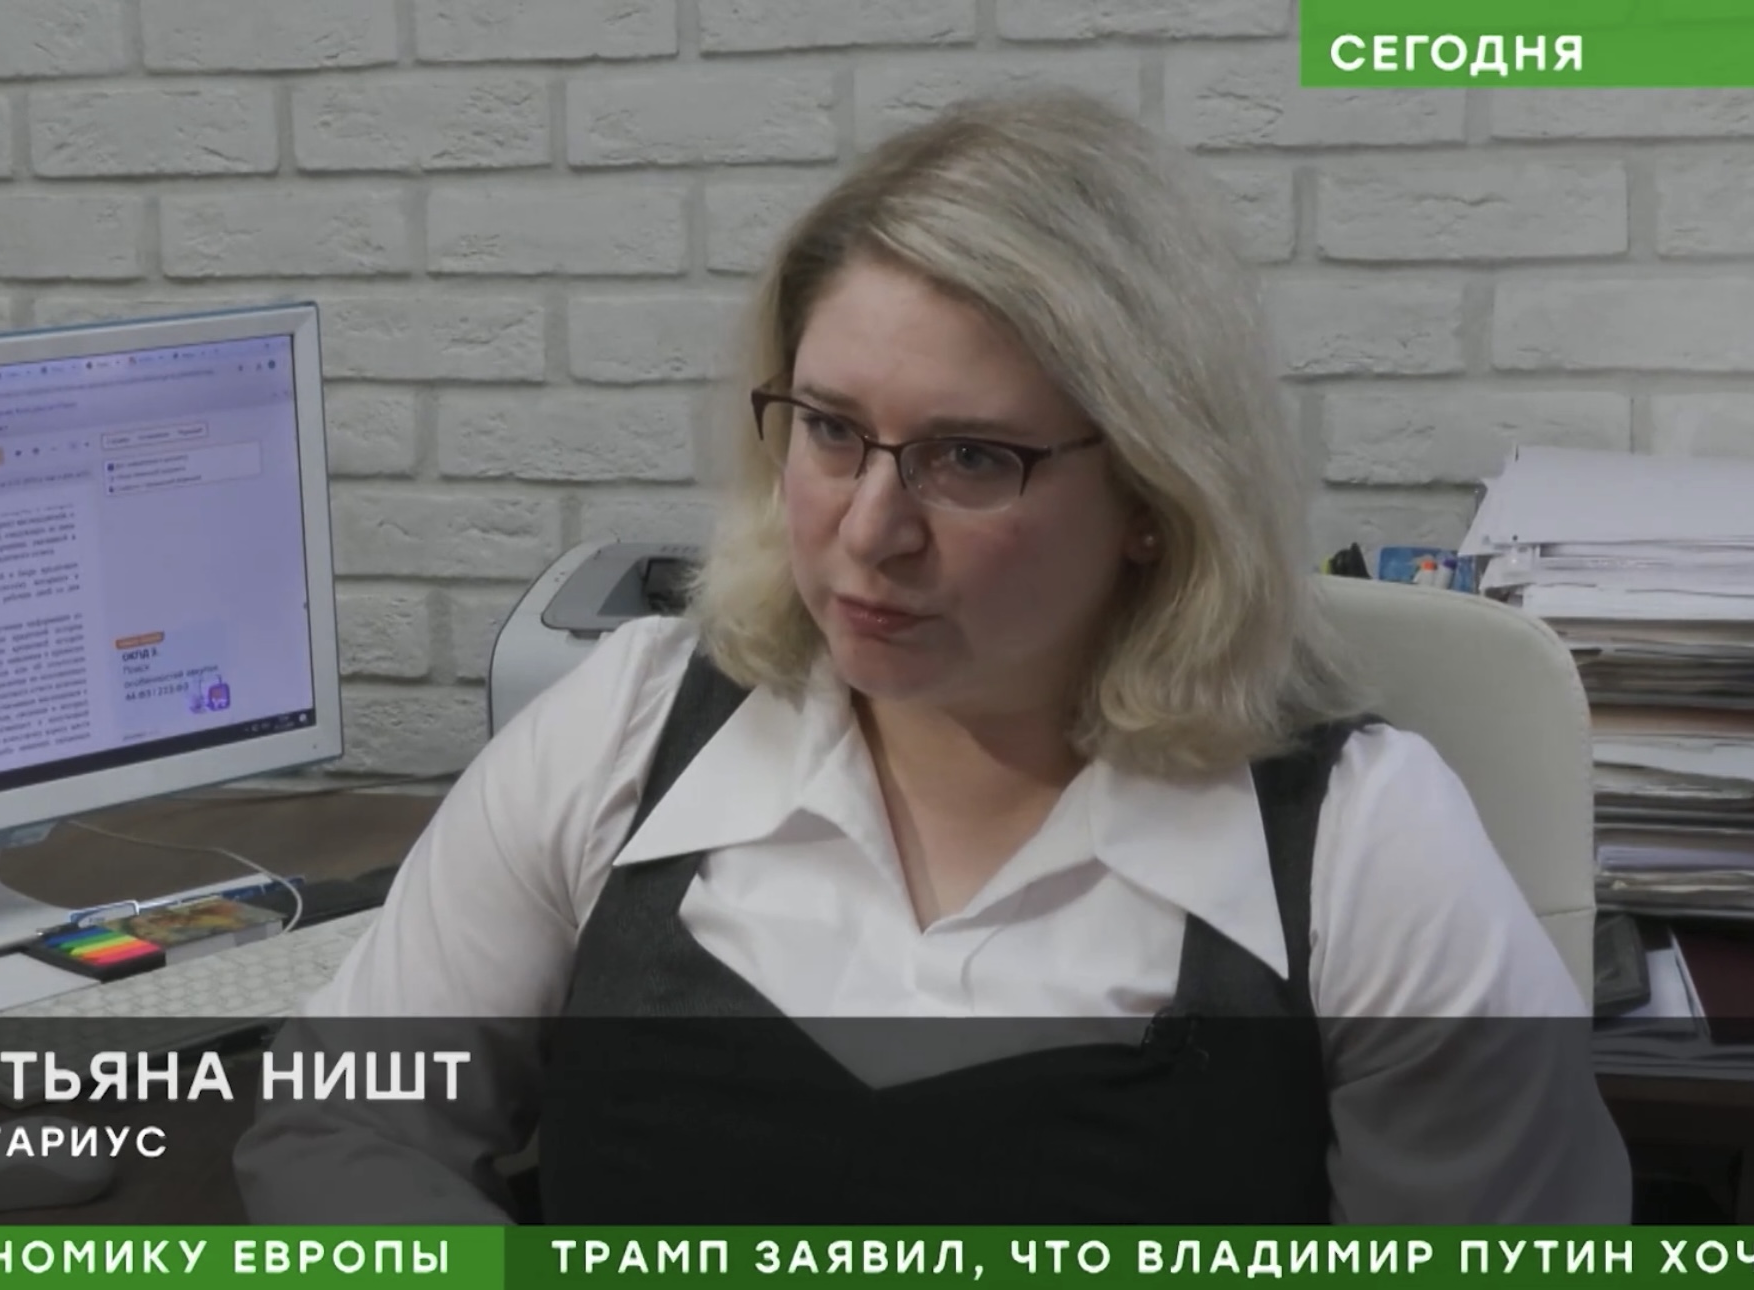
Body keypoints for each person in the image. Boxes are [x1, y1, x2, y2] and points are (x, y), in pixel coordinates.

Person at [233, 90, 1630, 1224]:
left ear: (1154, 496)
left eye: (971, 458)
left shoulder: (1362, 849)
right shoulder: (625, 731)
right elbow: (342, 1126)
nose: (869, 531)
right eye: (831, 430)